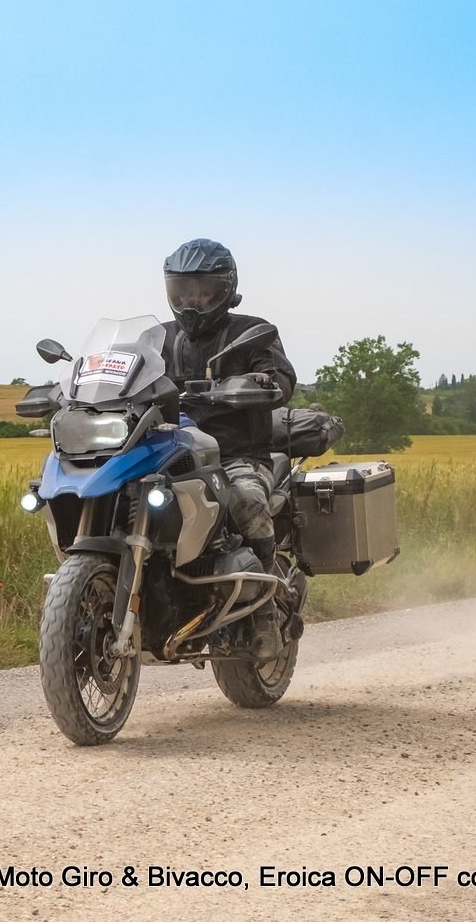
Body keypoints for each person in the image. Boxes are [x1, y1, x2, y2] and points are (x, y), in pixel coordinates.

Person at [160, 238, 298, 659]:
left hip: (236, 456)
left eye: (202, 291)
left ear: (225, 289)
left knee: (245, 498)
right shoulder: (158, 338)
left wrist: (262, 382)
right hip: (169, 453)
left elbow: (281, 380)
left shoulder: (251, 333)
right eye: (183, 291)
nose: (191, 301)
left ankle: (265, 612)